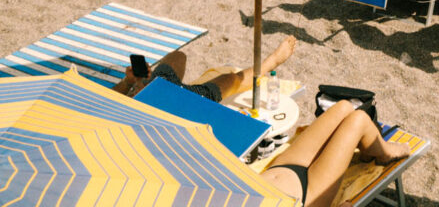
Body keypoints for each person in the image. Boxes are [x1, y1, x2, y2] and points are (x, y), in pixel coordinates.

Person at [260, 99, 411, 207]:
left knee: (343, 107)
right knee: (359, 120)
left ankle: (369, 148)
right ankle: (385, 153)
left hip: (279, 170)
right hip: (308, 196)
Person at [113, 35, 296, 103]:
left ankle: (145, 84)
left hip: (156, 89)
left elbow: (103, 97)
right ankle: (270, 63)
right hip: (175, 105)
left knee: (178, 56)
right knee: (230, 80)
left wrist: (129, 82)